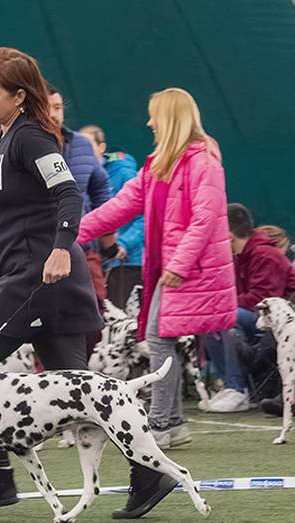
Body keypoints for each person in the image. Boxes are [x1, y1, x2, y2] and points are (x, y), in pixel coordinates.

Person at [0, 47, 176, 520]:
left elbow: (68, 194)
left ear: (19, 96)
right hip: (38, 283)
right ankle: (150, 474)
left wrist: (60, 248)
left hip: (37, 280)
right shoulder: (3, 137)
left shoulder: (33, 139)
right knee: (87, 393)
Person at [78, 88, 237, 452]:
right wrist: (75, 232)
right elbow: (122, 205)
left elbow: (205, 217)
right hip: (172, 267)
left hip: (186, 269)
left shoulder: (203, 160)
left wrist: (180, 264)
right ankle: (173, 423)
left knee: (158, 340)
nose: (149, 122)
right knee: (161, 338)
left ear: (169, 118)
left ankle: (161, 423)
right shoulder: (161, 163)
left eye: (153, 115)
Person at [204, 203, 295, 412]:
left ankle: (238, 389)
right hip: (254, 317)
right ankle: (226, 384)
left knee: (230, 316)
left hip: (282, 323)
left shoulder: (266, 255)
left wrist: (223, 304)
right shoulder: (238, 256)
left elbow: (264, 300)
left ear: (228, 236)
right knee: (207, 319)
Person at [47, 86, 113, 329]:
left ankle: (85, 365)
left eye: (58, 107)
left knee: (96, 313)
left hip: (84, 248)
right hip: (43, 251)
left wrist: (106, 235)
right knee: (48, 318)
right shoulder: (27, 143)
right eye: (48, 107)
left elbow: (101, 189)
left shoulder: (82, 144)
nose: (54, 114)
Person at [80, 124, 143, 308]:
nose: (82, 152)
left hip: (128, 262)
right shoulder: (86, 175)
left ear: (101, 147)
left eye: (88, 146)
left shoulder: (124, 173)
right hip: (102, 260)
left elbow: (144, 217)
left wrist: (123, 243)